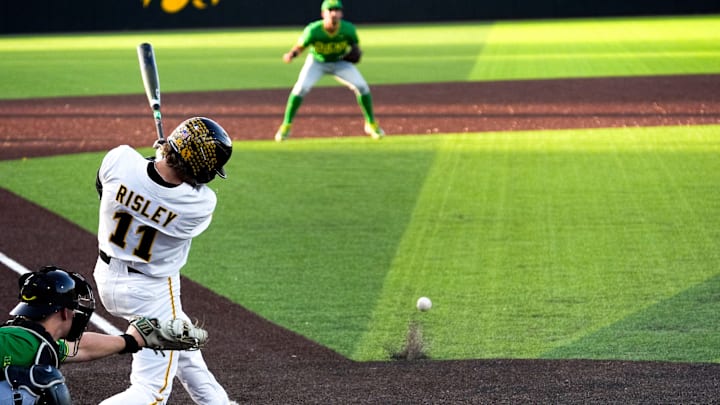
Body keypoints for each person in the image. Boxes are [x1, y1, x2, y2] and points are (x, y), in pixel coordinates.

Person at [93, 117, 235, 404]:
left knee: (184, 347)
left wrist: (157, 158)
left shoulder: (120, 159)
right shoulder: (199, 204)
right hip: (151, 294)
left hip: (107, 277)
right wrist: (164, 159)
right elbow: (175, 189)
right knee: (151, 393)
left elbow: (106, 187)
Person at [0, 265, 149, 405]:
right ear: (65, 312)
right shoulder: (20, 344)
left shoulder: (39, 344)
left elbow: (84, 348)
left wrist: (131, 340)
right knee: (48, 384)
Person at [275, 0, 385, 142]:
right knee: (301, 88)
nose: (333, 13)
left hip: (340, 62)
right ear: (323, 14)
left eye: (336, 10)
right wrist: (292, 54)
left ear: (341, 13)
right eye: (330, 10)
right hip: (317, 62)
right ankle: (286, 125)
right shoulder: (313, 30)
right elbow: (301, 46)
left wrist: (357, 53)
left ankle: (371, 124)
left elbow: (355, 46)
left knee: (362, 86)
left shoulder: (348, 29)